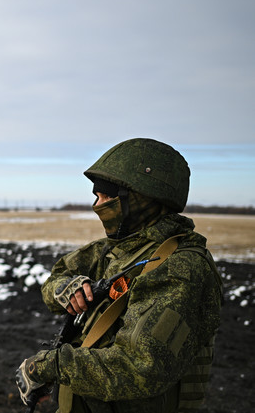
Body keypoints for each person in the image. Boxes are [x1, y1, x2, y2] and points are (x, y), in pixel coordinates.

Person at [15, 138, 222, 412]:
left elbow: (140, 367)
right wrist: (67, 288)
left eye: (107, 197)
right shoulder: (115, 249)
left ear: (141, 199)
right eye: (96, 197)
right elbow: (57, 277)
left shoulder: (181, 267)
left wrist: (51, 366)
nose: (97, 205)